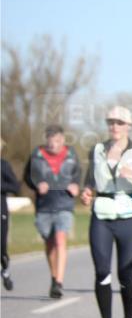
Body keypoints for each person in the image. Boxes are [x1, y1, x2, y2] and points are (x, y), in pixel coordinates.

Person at [80, 106, 132, 318]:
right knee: (102, 272)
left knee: (125, 273)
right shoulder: (97, 150)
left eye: (120, 122)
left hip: (128, 217)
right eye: (111, 122)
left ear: (129, 126)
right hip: (101, 215)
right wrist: (86, 192)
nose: (115, 126)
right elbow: (89, 182)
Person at [23, 125, 82, 298]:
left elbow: (77, 174)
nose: (54, 145)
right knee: (49, 244)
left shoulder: (71, 155)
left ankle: (59, 282)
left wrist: (75, 185)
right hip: (44, 205)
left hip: (64, 203)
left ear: (63, 140)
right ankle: (54, 276)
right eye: (51, 142)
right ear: (46, 141)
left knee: (60, 239)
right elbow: (27, 177)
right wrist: (36, 184)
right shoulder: (36, 155)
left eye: (57, 141)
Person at [1, 144, 19, 292]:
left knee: (1, 249)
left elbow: (15, 186)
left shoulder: (3, 165)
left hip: (1, 212)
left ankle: (5, 269)